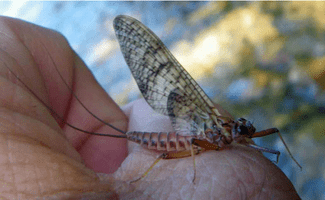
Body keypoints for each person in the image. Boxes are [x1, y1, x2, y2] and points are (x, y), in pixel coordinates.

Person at [0, 16, 301, 199]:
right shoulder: (215, 129)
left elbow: (266, 148)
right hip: (179, 142)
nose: (245, 132)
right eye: (243, 129)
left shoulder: (234, 135)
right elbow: (196, 142)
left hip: (191, 139)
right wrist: (194, 175)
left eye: (244, 131)